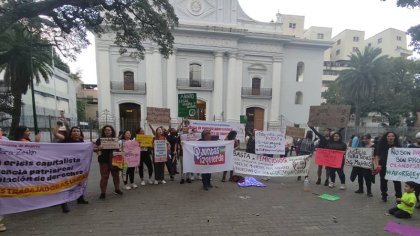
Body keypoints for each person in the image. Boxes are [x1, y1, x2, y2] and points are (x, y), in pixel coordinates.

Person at [60, 127, 89, 213]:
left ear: (80, 133)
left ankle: (80, 198)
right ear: (71, 133)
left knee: (80, 182)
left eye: (78, 131)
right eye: (74, 131)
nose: (76, 132)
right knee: (67, 184)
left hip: (79, 167)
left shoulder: (82, 142)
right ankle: (64, 204)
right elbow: (55, 134)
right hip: (68, 167)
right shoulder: (66, 140)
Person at [95, 125, 123, 200]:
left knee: (116, 175)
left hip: (114, 160)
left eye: (109, 130)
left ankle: (117, 189)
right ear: (104, 131)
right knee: (104, 176)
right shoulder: (100, 140)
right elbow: (94, 149)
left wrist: (119, 149)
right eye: (106, 130)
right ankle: (103, 192)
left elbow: (119, 149)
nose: (107, 131)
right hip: (103, 160)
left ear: (111, 131)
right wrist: (98, 148)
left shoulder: (115, 140)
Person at [374, 131, 402, 202]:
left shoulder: (398, 145)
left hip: (395, 167)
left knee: (397, 182)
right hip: (383, 166)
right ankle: (384, 194)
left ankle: (398, 197)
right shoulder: (382, 145)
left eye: (392, 136)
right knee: (383, 181)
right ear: (386, 137)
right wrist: (377, 165)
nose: (391, 137)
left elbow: (403, 156)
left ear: (395, 137)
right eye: (389, 136)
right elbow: (377, 155)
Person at [407, 132, 420, 208]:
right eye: (419, 138)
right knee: (415, 186)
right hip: (414, 170)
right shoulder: (411, 146)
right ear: (416, 138)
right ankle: (414, 198)